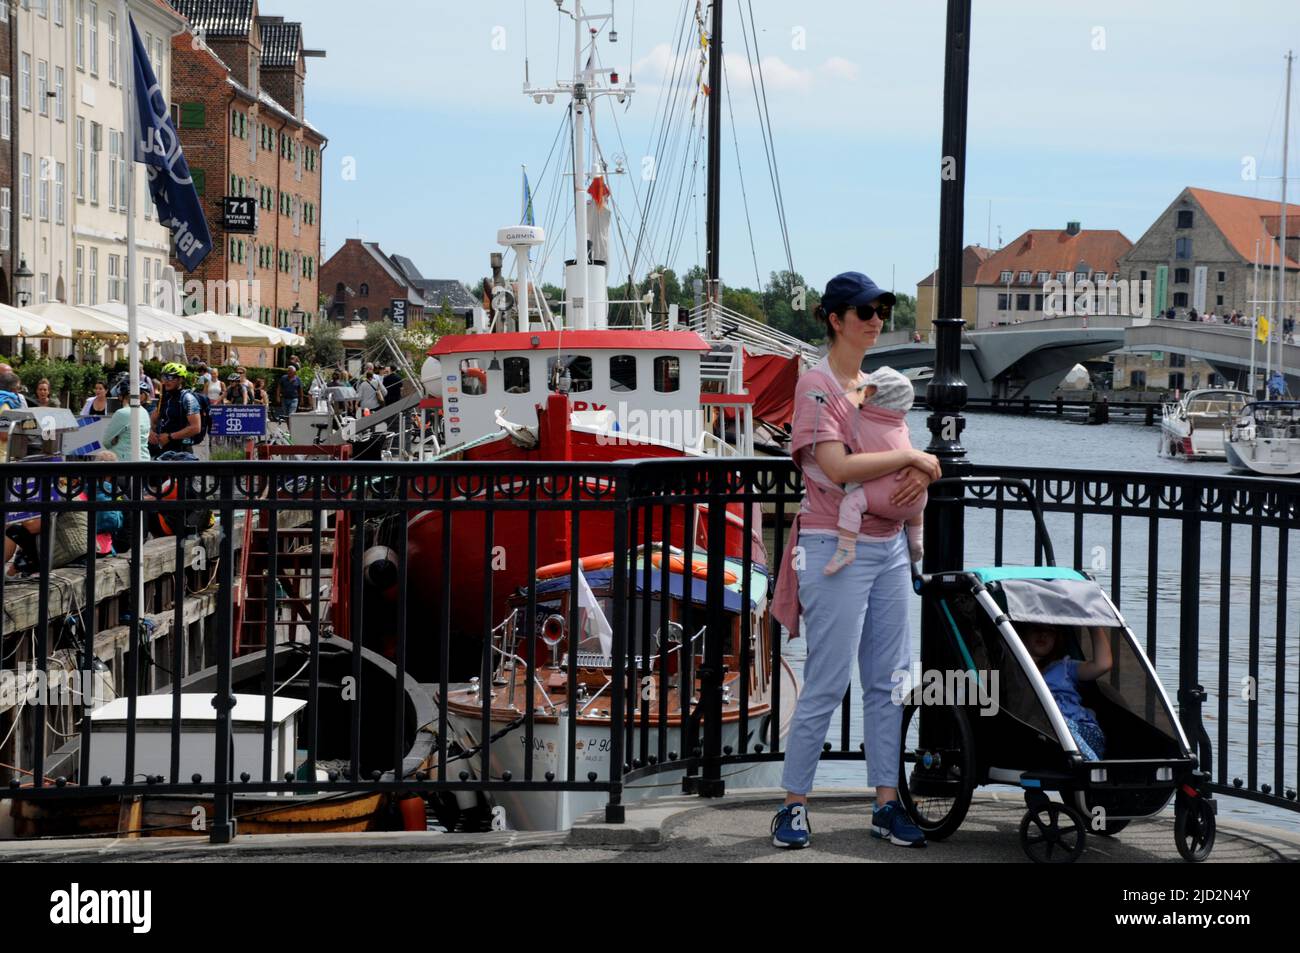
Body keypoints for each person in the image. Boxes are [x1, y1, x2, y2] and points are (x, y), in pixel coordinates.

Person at [768, 271, 941, 850]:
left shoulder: (874, 387)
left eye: (881, 309)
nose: (875, 319)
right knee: (826, 678)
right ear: (834, 319)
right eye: (863, 310)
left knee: (890, 682)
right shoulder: (817, 386)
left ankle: (885, 804)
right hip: (832, 547)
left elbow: (894, 452)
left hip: (889, 546)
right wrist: (918, 457)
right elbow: (837, 468)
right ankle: (793, 806)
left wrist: (918, 469)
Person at [822, 367, 926, 575]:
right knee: (915, 501)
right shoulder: (902, 425)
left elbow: (840, 462)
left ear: (870, 392)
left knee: (851, 503)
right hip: (915, 499)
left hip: (880, 497)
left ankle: (845, 548)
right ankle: (916, 541)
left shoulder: (859, 420)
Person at [1020, 623, 1113, 760]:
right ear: (1024, 634)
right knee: (1047, 721)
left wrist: (1093, 625)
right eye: (1036, 629)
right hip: (1045, 732)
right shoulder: (1012, 669)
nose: (1043, 635)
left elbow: (1102, 665)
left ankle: (1091, 766)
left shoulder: (1064, 667)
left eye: (1050, 631)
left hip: (1082, 731)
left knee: (1059, 722)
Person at [148, 363, 203, 459]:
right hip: (164, 449)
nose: (166, 381)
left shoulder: (187, 398)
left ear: (180, 379)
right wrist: (150, 432)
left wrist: (169, 437)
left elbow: (195, 427)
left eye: (170, 377)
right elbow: (153, 419)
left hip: (182, 450)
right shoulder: (164, 398)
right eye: (164, 377)